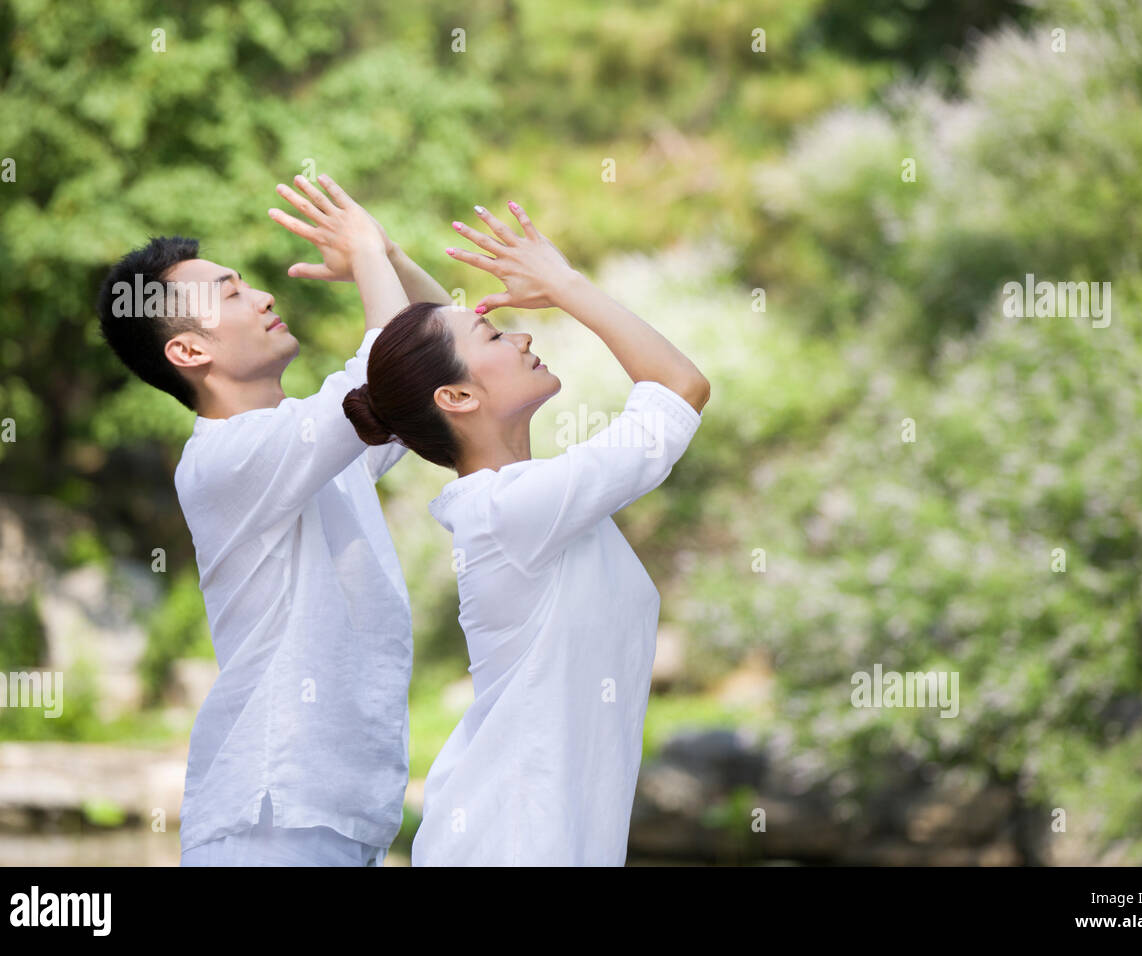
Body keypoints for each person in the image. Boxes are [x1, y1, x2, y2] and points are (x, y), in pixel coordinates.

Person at [96, 173, 450, 865]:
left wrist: (392, 255)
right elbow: (383, 378)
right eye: (230, 291)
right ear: (189, 351)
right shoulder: (226, 458)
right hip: (269, 816)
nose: (262, 295)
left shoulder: (316, 444)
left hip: (340, 816)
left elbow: (444, 364)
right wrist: (367, 259)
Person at [344, 200, 710, 865]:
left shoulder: (524, 506)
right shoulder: (515, 509)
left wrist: (391, 259)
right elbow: (681, 387)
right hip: (509, 841)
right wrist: (565, 286)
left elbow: (434, 358)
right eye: (495, 338)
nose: (521, 337)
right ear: (456, 399)